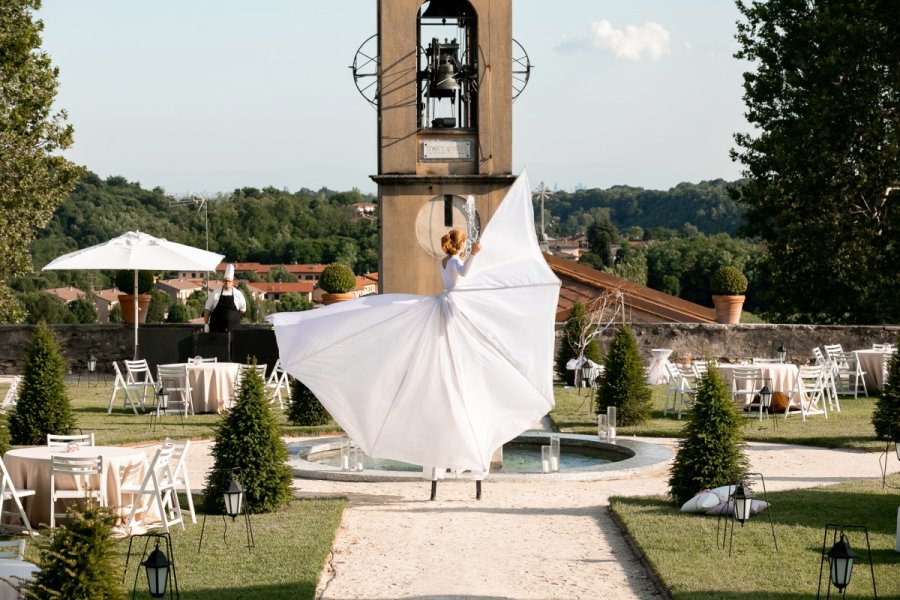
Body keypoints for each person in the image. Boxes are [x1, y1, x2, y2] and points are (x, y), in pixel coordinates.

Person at [268, 172, 560, 501]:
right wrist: (476, 253)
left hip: (451, 313)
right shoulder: (453, 262)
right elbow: (462, 281)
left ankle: (458, 463)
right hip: (450, 316)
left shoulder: (451, 259)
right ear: (459, 245)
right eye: (465, 244)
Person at [203, 264, 247, 333]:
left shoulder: (238, 294)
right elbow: (207, 309)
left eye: (229, 281)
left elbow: (243, 310)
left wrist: (232, 317)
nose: (227, 283)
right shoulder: (215, 293)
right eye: (226, 281)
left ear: (232, 282)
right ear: (223, 281)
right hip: (216, 330)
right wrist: (206, 324)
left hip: (234, 330)